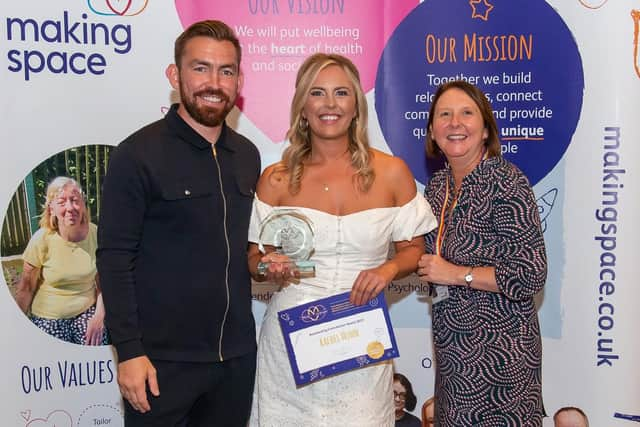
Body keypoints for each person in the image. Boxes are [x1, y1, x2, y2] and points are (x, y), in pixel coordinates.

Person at [247, 53, 437, 426]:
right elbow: (255, 258)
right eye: (317, 93)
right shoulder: (276, 178)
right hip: (290, 341)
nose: (330, 104)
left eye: (341, 93)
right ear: (303, 107)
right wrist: (270, 265)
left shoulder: (392, 172)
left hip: (361, 336)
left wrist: (388, 269)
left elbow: (414, 250)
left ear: (356, 108)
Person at [96, 20, 260, 426]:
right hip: (161, 364)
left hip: (235, 359)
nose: (213, 82)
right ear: (175, 75)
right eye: (200, 68)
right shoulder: (137, 155)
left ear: (239, 81)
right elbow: (114, 260)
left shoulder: (248, 155)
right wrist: (130, 352)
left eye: (225, 71)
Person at [417, 80, 547, 426]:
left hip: (501, 363)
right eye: (444, 114)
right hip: (453, 357)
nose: (454, 123)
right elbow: (415, 250)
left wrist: (457, 274)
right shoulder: (437, 188)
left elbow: (529, 274)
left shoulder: (506, 182)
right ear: (432, 130)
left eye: (466, 113)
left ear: (486, 129)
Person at [14, 176, 107, 346]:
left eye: (74, 200)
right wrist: (17, 330)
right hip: (49, 316)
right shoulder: (41, 239)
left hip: (86, 312)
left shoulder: (97, 235)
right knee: (51, 358)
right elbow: (26, 288)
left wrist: (99, 317)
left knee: (98, 347)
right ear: (52, 209)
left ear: (83, 204)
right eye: (62, 202)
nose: (70, 207)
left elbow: (104, 284)